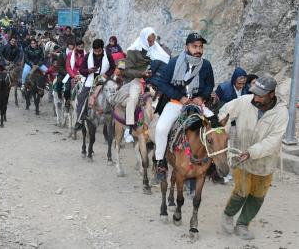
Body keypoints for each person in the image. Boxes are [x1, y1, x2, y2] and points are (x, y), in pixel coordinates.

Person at [219, 76, 288, 240]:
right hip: (240, 156)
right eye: (255, 93)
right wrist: (224, 129)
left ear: (271, 94)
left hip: (265, 162)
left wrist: (252, 152)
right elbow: (224, 113)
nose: (256, 98)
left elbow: (273, 141)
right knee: (241, 191)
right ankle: (228, 215)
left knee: (258, 195)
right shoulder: (244, 101)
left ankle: (242, 224)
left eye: (260, 95)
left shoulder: (281, 113)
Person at [153, 32, 215, 180]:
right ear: (186, 46)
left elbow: (210, 84)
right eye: (195, 46)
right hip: (176, 103)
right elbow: (161, 82)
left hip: (196, 104)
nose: (198, 50)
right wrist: (179, 97)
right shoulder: (174, 62)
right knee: (161, 128)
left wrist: (202, 97)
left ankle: (213, 162)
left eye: (200, 47)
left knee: (216, 125)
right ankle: (160, 162)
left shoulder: (206, 65)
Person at [116, 27, 170, 143]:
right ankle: (129, 128)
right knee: (133, 99)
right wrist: (142, 73)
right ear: (144, 39)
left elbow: (165, 61)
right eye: (150, 41)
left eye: (153, 41)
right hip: (138, 79)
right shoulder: (133, 51)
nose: (152, 43)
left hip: (154, 81)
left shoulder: (156, 49)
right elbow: (127, 70)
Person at [74, 39, 116, 130]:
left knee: (114, 94)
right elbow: (81, 70)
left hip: (103, 79)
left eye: (99, 51)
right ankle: (80, 120)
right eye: (95, 51)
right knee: (82, 97)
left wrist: (106, 74)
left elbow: (113, 67)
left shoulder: (108, 55)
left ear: (102, 48)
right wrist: (88, 71)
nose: (97, 53)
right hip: (90, 80)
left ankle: (115, 120)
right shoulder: (88, 56)